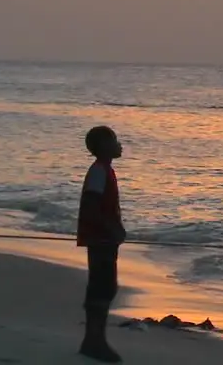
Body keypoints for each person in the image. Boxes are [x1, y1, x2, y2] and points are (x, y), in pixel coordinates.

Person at [77, 125, 127, 363]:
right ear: (103, 147)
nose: (119, 144)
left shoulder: (105, 170)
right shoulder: (99, 171)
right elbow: (91, 204)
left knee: (105, 287)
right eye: (114, 140)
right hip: (100, 238)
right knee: (102, 287)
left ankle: (94, 339)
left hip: (103, 237)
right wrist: (111, 228)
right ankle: (94, 341)